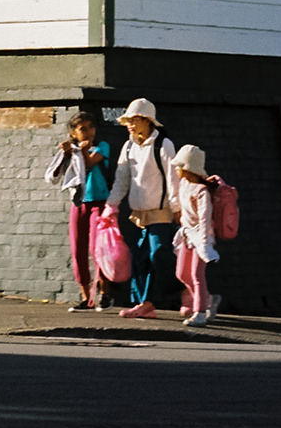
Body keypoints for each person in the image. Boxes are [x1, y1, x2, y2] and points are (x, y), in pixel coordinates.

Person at [103, 97, 180, 319]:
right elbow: (122, 180)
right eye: (128, 120)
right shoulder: (128, 147)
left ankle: (182, 288)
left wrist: (176, 208)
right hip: (138, 214)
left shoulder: (163, 145)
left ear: (147, 121)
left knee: (158, 254)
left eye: (134, 120)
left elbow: (172, 178)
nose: (129, 124)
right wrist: (112, 206)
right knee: (139, 258)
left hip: (161, 212)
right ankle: (144, 303)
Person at [44, 110, 114, 311]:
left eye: (91, 127)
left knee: (99, 248)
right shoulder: (71, 150)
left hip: (100, 203)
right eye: (83, 129)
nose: (89, 132)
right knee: (78, 250)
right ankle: (86, 298)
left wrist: (82, 151)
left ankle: (105, 293)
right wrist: (66, 153)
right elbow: (54, 176)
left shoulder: (102, 146)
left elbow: (91, 163)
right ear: (73, 132)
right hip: (79, 203)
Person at [170, 144, 218, 327]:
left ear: (187, 168)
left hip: (201, 238)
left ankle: (199, 312)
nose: (176, 169)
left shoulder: (201, 191)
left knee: (197, 275)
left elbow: (205, 219)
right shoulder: (183, 185)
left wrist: (204, 243)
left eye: (179, 165)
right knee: (182, 273)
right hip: (187, 236)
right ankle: (208, 299)